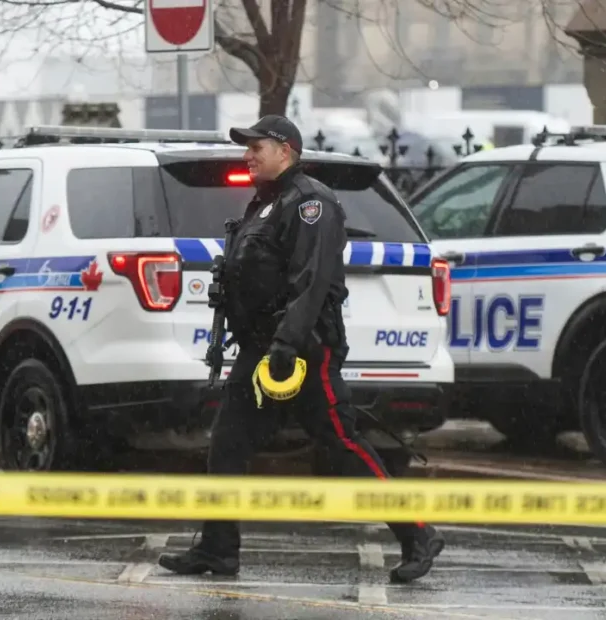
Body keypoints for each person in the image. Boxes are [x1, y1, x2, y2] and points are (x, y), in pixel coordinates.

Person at [157, 115, 444, 583]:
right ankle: (217, 549)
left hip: (304, 350)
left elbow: (310, 282)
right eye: (247, 148)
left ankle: (417, 534)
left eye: (256, 148)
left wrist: (288, 342)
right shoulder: (266, 204)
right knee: (227, 442)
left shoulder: (311, 203)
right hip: (261, 348)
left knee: (341, 445)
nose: (247, 156)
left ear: (285, 151)